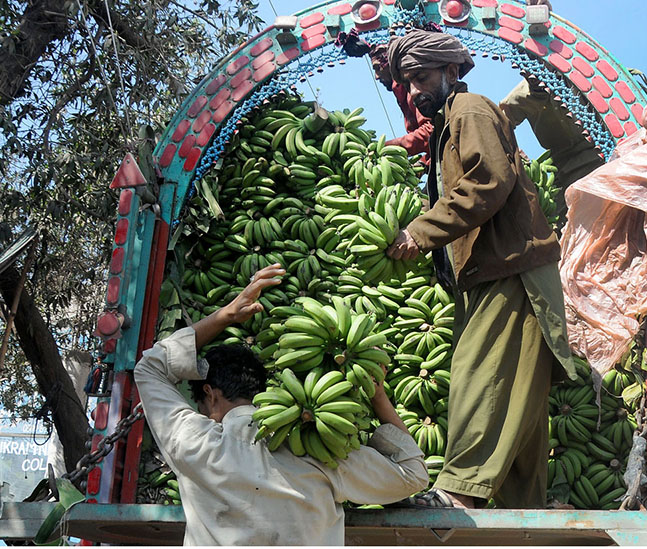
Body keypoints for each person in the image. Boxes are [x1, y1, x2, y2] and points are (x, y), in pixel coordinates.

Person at [385, 30, 577, 510]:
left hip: (510, 269)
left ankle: (458, 490)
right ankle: (520, 508)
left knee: (479, 375)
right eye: (407, 83)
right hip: (495, 270)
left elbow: (488, 180)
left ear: (451, 71)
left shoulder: (469, 110)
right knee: (520, 402)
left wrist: (420, 232)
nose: (414, 92)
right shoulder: (450, 121)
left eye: (421, 77)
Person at [134, 264, 428, 545]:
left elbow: (150, 368)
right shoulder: (322, 453)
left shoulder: (195, 446)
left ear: (210, 394)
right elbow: (414, 474)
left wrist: (226, 315)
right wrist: (377, 394)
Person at [337, 30, 433, 162]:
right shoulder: (400, 91)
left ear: (389, 63)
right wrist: (423, 164)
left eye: (377, 68)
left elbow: (431, 132)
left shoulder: (412, 87)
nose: (376, 76)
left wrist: (383, 147)